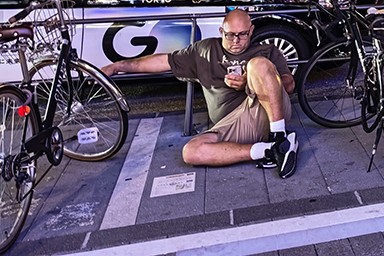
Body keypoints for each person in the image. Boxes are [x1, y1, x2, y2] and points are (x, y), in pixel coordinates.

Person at [100, 9, 298, 178]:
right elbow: (162, 61)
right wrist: (117, 67)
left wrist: (251, 82)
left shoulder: (267, 51)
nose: (236, 40)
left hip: (269, 113)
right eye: (230, 35)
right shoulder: (205, 50)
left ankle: (278, 135)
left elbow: (288, 86)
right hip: (230, 125)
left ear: (251, 31)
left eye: (243, 34)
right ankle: (272, 150)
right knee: (191, 152)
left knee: (258, 65)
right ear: (221, 31)